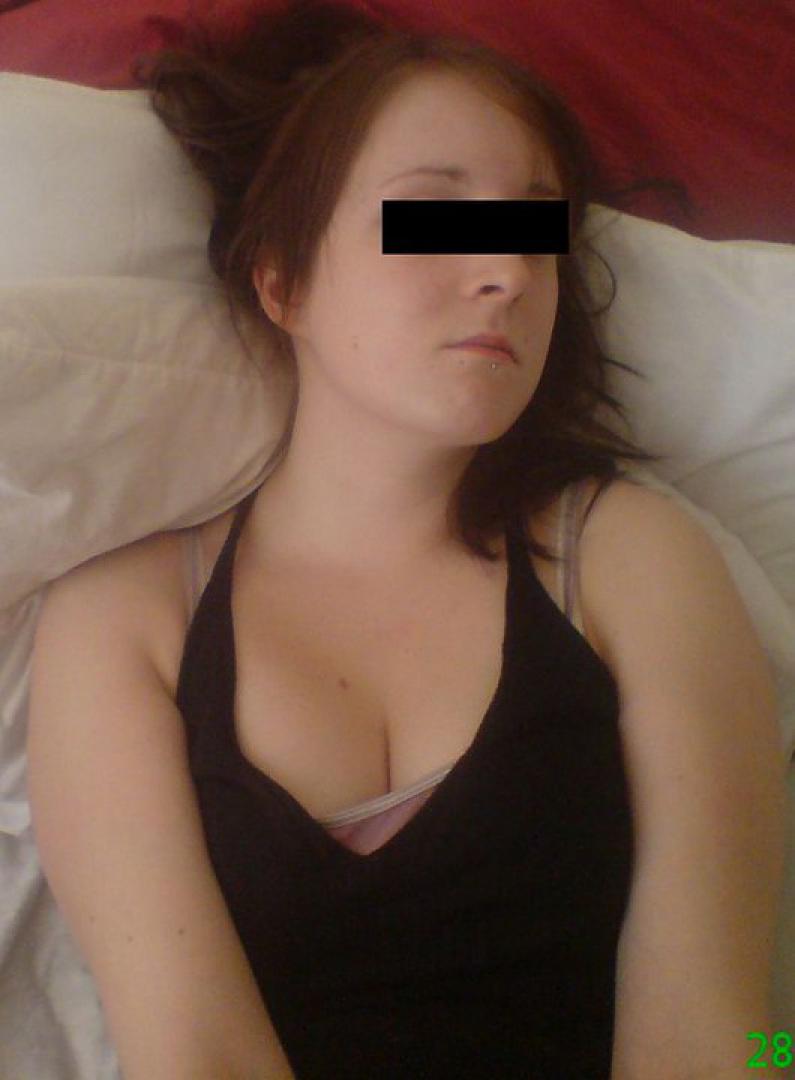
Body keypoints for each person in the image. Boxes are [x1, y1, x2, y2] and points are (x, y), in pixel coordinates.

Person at [25, 2, 788, 1078]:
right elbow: (191, 1055)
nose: (508, 270)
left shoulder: (634, 557)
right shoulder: (124, 621)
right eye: (431, 216)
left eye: (539, 230)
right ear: (283, 277)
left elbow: (734, 1037)